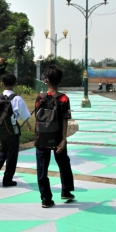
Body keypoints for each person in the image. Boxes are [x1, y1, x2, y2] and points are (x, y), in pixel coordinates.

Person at [34, 65, 75, 208]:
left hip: (42, 137)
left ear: (46, 80)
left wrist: (37, 136)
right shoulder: (64, 99)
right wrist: (64, 139)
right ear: (60, 81)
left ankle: (46, 198)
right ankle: (66, 191)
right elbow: (65, 119)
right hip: (58, 138)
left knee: (42, 167)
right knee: (64, 163)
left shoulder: (40, 98)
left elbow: (37, 119)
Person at [0, 73, 33, 187]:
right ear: (15, 84)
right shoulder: (17, 98)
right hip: (13, 130)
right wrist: (28, 125)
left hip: (1, 130)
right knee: (12, 155)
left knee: (3, 151)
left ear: (2, 84)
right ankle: (7, 179)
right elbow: (24, 115)